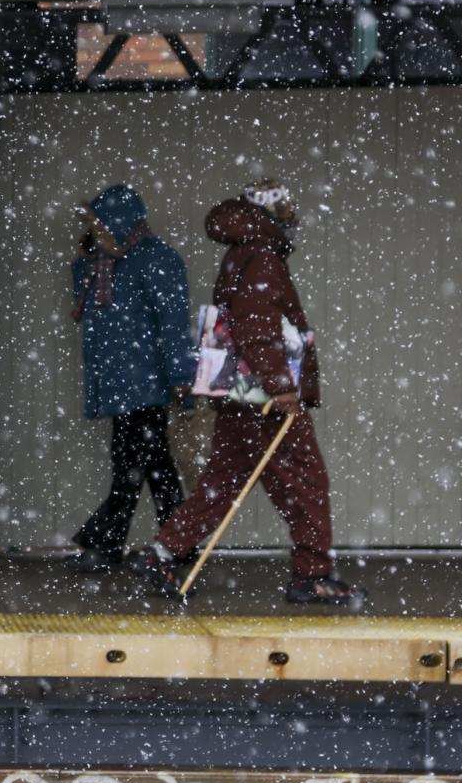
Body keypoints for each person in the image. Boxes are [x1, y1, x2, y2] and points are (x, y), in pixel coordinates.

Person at [129, 180, 364, 606]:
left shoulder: (241, 252)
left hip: (239, 395)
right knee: (308, 480)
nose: (294, 216)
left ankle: (161, 554)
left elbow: (240, 327)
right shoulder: (264, 257)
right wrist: (282, 389)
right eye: (287, 208)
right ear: (270, 212)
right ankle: (312, 575)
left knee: (221, 483)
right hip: (265, 400)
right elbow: (257, 331)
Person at [68, 185, 197, 571]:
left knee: (135, 466)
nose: (96, 232)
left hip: (147, 384)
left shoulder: (156, 260)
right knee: (150, 466)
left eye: (99, 224)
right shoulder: (105, 264)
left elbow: (174, 324)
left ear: (120, 223)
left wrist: (180, 377)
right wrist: (87, 256)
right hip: (120, 383)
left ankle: (109, 544)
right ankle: (177, 543)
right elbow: (82, 294)